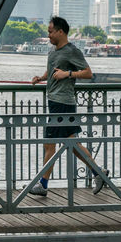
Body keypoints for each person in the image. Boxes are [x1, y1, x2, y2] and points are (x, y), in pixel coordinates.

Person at [27, 16, 110, 197]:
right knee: (73, 145)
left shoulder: (72, 51)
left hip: (63, 104)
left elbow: (88, 73)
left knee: (50, 144)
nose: (48, 35)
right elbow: (53, 69)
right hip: (55, 102)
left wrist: (68, 74)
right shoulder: (53, 51)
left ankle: (43, 185)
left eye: (50, 32)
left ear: (60, 32)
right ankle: (99, 172)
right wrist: (41, 78)